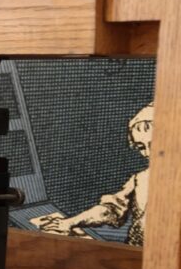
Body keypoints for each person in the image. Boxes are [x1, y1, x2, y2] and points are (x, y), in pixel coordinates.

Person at [36, 102, 152, 246]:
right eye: (141, 147)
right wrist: (69, 222)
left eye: (154, 144)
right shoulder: (140, 178)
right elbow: (111, 210)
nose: (147, 153)